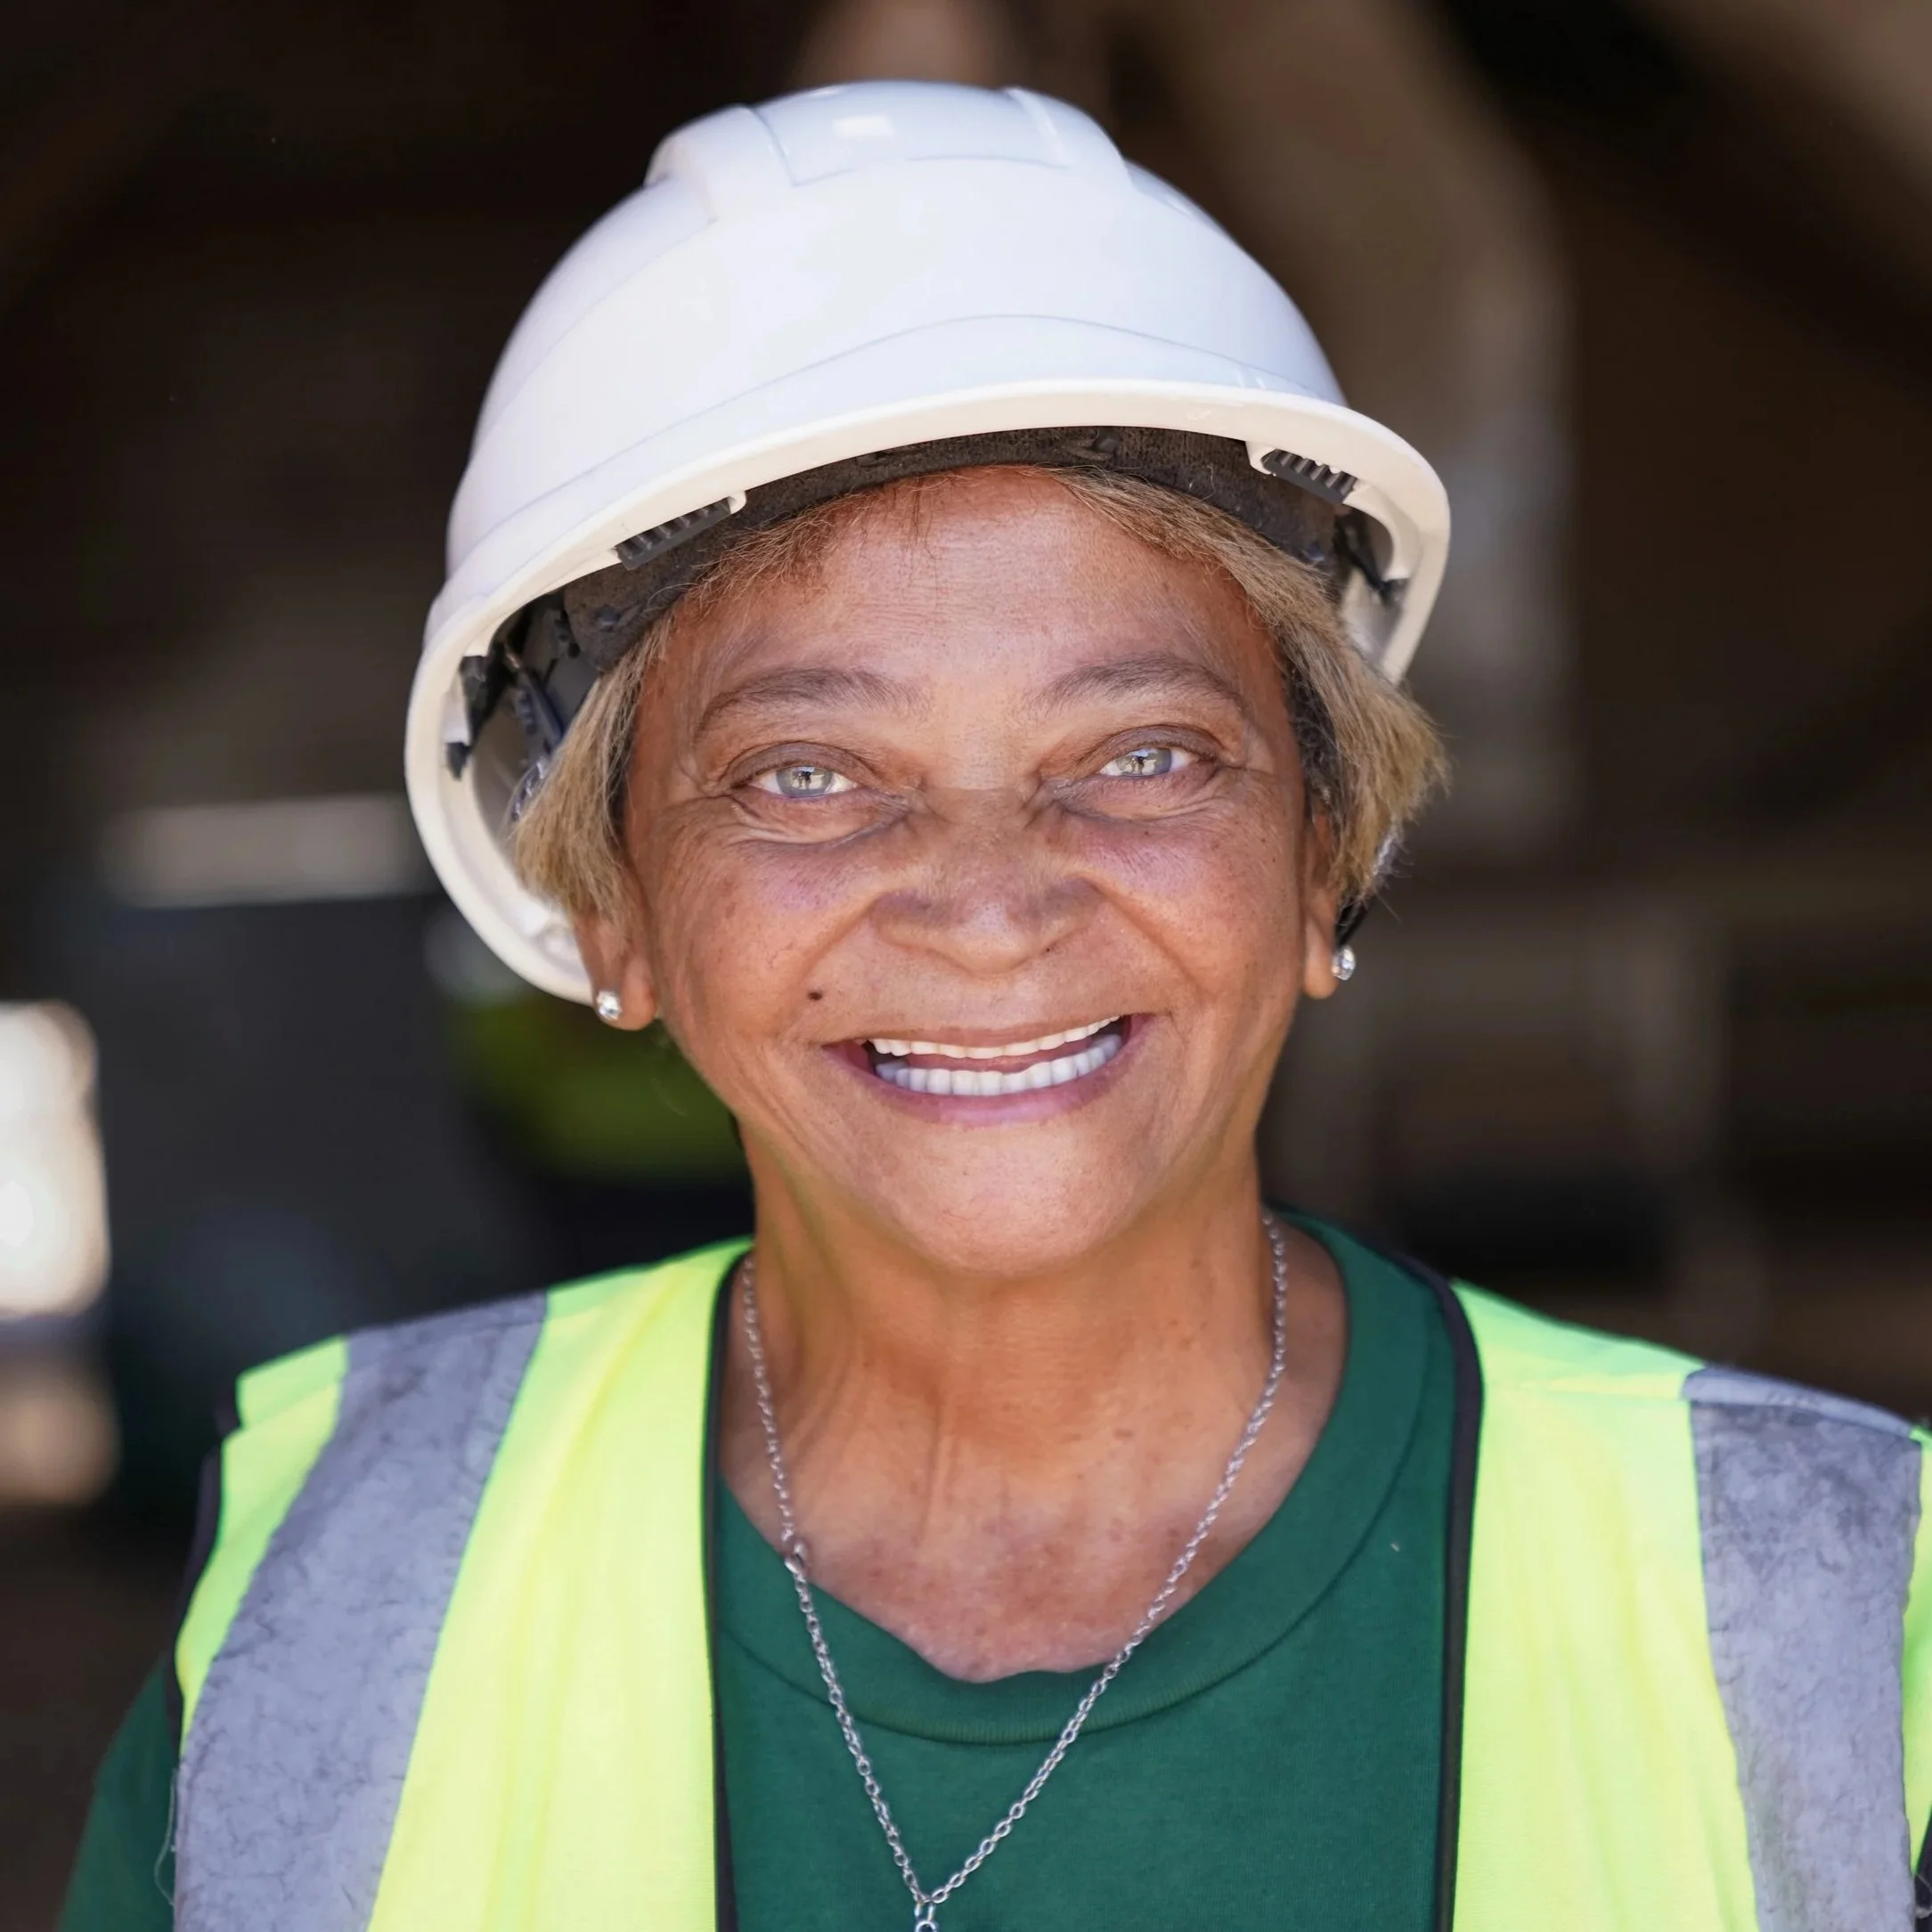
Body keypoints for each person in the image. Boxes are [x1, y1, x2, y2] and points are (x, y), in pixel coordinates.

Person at [63, 80, 1932, 1932]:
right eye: (803, 773)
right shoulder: (328, 1601)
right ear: (609, 910)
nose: (988, 901)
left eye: (1140, 752)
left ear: (1321, 853)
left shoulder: (1833, 1600)